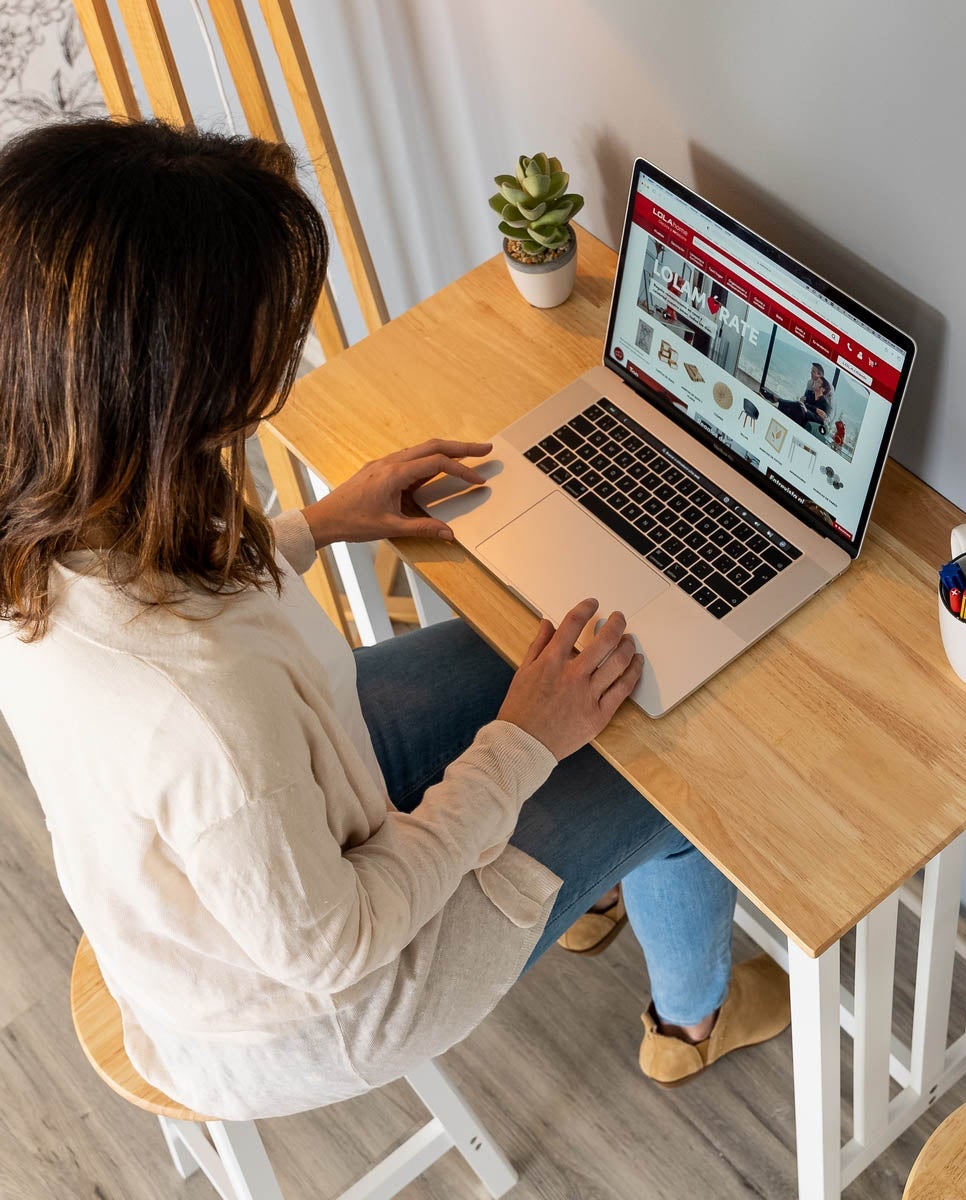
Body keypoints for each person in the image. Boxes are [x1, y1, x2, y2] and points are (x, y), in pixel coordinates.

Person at [0, 120, 790, 1121]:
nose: (282, 354)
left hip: (246, 852)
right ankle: (692, 1019)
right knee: (680, 771)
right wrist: (520, 748)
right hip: (335, 997)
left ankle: (590, 891)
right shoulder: (206, 721)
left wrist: (320, 523)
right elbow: (342, 943)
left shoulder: (46, 514)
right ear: (169, 390)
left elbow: (166, 614)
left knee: (538, 655)